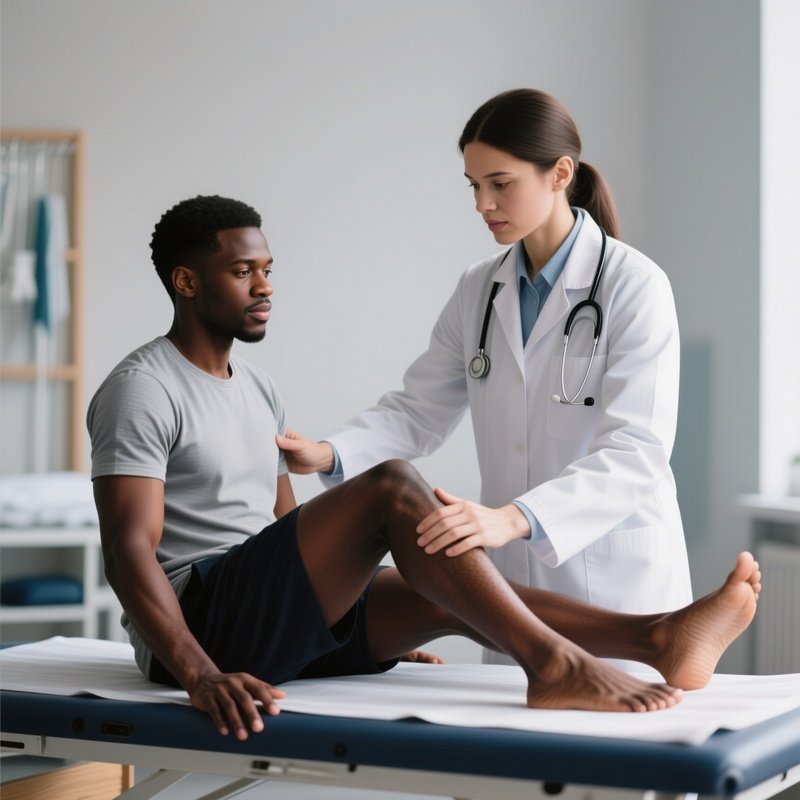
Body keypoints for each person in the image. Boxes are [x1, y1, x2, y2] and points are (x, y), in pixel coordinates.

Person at [87, 194, 760, 742]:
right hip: (202, 623)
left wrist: (341, 608)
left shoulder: (256, 387)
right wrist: (201, 676)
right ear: (186, 281)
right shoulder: (142, 388)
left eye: (268, 268)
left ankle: (659, 637)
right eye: (243, 273)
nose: (265, 287)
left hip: (259, 609)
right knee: (391, 487)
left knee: (448, 583)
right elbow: (127, 551)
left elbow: (283, 531)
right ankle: (553, 663)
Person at [278, 89, 693, 668]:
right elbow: (418, 408)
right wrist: (330, 452)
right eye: (474, 185)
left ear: (560, 174)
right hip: (514, 589)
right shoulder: (480, 288)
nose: (483, 203)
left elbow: (637, 451)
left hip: (615, 578)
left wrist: (511, 518)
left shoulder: (634, 285)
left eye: (501, 183)